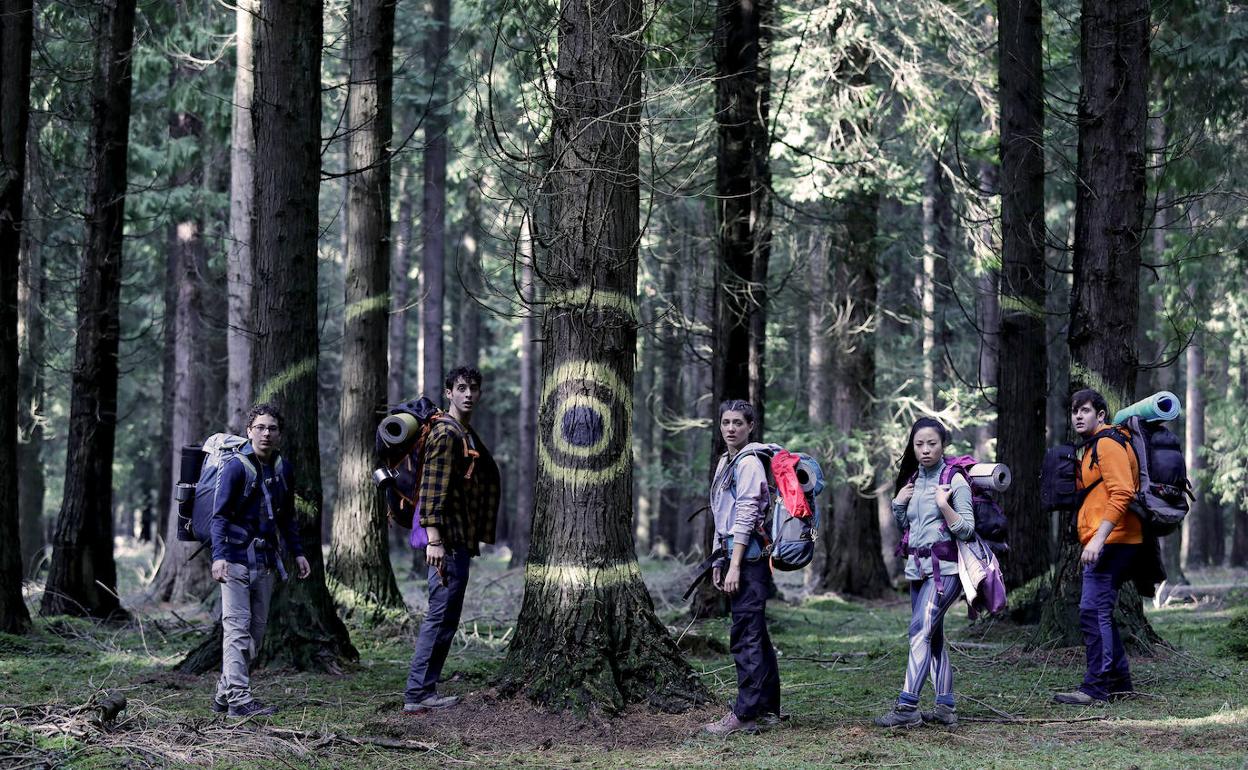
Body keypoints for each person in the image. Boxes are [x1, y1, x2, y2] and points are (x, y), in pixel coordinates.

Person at [403, 366, 501, 713]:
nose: (469, 394)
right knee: (439, 615)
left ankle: (424, 690)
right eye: (461, 388)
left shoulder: (464, 432)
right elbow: (432, 488)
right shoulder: (446, 432)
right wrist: (434, 540)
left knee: (446, 616)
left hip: (458, 540)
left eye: (474, 388)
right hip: (446, 543)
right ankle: (417, 693)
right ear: (449, 393)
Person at [210, 403, 311, 719]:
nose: (266, 433)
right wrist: (219, 557)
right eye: (260, 428)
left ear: (279, 434)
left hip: (266, 563)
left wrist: (297, 552)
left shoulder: (284, 469)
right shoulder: (236, 467)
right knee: (237, 630)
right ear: (249, 431)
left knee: (254, 635)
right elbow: (219, 517)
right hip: (236, 561)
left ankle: (224, 694)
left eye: (272, 428)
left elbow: (287, 518)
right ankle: (239, 701)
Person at [875, 417, 975, 729]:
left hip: (944, 571)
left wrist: (945, 505)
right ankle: (945, 707)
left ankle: (907, 707)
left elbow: (968, 530)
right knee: (932, 638)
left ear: (943, 444)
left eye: (932, 443)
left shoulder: (954, 480)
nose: (925, 449)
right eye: (919, 444)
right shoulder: (915, 480)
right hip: (917, 571)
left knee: (919, 631)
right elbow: (910, 529)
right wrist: (898, 504)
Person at [1054, 388, 1141, 705]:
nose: (1078, 415)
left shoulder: (1107, 443)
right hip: (1110, 538)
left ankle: (1096, 688)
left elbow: (1123, 493)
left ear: (1100, 415)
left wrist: (1098, 539)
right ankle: (1119, 682)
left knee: (1092, 611)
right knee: (1099, 610)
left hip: (1113, 540)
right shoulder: (1093, 447)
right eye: (1075, 410)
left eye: (1086, 410)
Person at [701, 400, 781, 736]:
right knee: (756, 634)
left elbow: (747, 514)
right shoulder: (726, 461)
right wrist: (720, 558)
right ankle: (766, 707)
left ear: (750, 427)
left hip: (749, 561)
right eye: (726, 422)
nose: (731, 428)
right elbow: (723, 517)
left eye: (738, 423)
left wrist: (734, 565)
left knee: (745, 636)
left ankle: (745, 714)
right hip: (735, 557)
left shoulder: (748, 463)